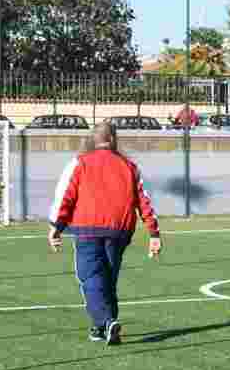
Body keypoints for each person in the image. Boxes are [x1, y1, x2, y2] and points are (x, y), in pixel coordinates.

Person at [47, 121, 163, 344]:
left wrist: (56, 226)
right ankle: (101, 327)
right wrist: (154, 233)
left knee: (91, 277)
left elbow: (65, 196)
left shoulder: (80, 163)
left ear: (93, 139)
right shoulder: (130, 166)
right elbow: (144, 201)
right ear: (113, 139)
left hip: (87, 229)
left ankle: (107, 321)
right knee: (108, 279)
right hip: (119, 230)